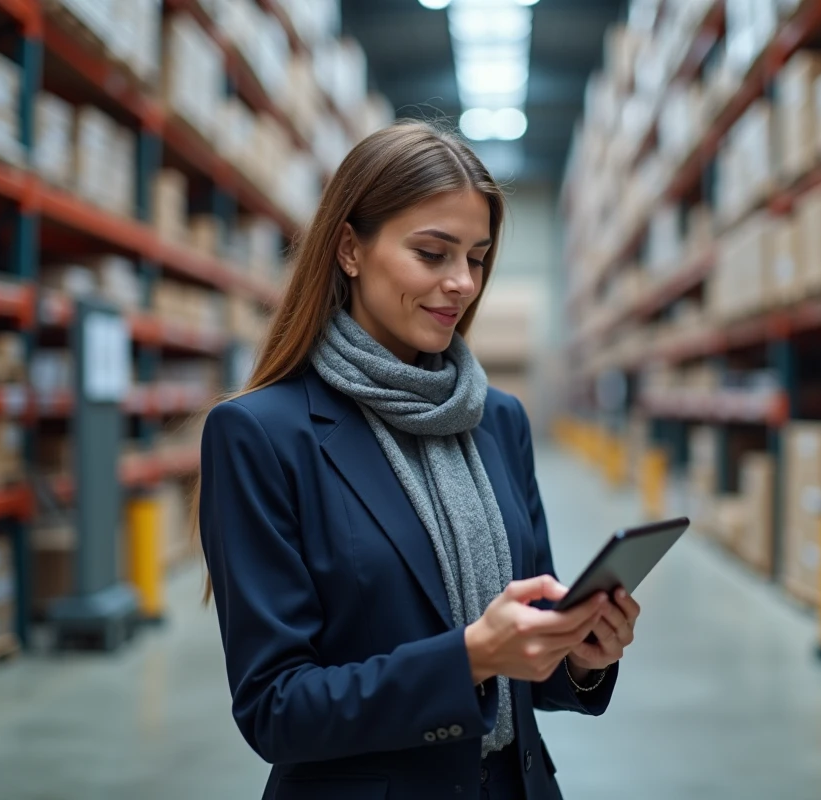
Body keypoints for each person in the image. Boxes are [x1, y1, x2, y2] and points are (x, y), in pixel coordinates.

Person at [197, 121, 640, 800]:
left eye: (478, 257)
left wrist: (578, 656)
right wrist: (467, 659)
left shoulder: (500, 420)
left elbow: (529, 663)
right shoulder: (261, 435)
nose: (462, 282)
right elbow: (275, 708)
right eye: (432, 254)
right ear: (349, 248)